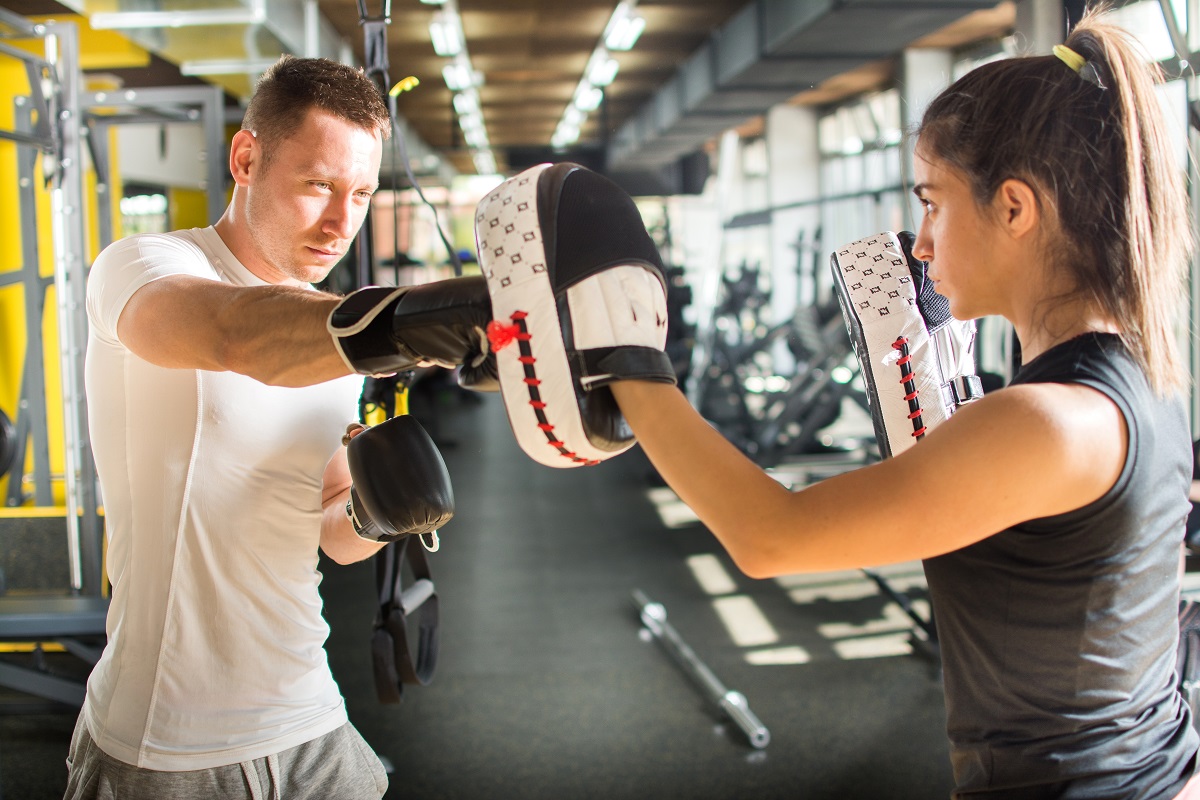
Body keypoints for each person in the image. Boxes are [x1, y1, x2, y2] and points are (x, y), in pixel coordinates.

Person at [608, 8, 1199, 798]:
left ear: (1015, 209)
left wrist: (632, 369)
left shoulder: (1047, 422)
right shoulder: (1142, 376)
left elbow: (768, 536)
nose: (920, 243)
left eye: (933, 202)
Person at [65, 56, 491, 799]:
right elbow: (234, 334)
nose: (340, 221)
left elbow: (328, 529)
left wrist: (374, 509)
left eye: (359, 193)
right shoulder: (145, 266)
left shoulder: (335, 335)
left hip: (309, 719)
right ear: (246, 158)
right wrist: (417, 325)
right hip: (165, 746)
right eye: (319, 185)